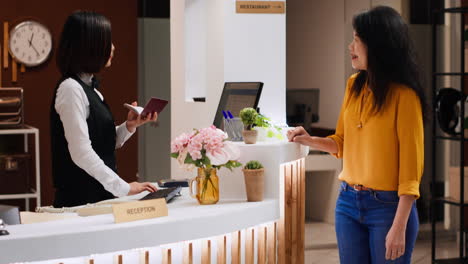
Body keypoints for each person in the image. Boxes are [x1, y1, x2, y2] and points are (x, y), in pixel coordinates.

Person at [287, 6, 426, 264]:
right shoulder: (354, 86)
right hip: (348, 203)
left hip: (388, 208)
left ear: (378, 45)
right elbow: (342, 142)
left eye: (357, 40)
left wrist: (399, 226)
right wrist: (308, 139)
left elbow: (411, 170)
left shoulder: (405, 96)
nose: (350, 46)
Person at [50, 11, 157, 207]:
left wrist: (129, 126)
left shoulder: (90, 88)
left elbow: (100, 142)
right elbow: (81, 152)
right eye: (107, 41)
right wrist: (124, 188)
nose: (113, 48)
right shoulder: (70, 89)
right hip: (80, 202)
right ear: (89, 46)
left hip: (98, 198)